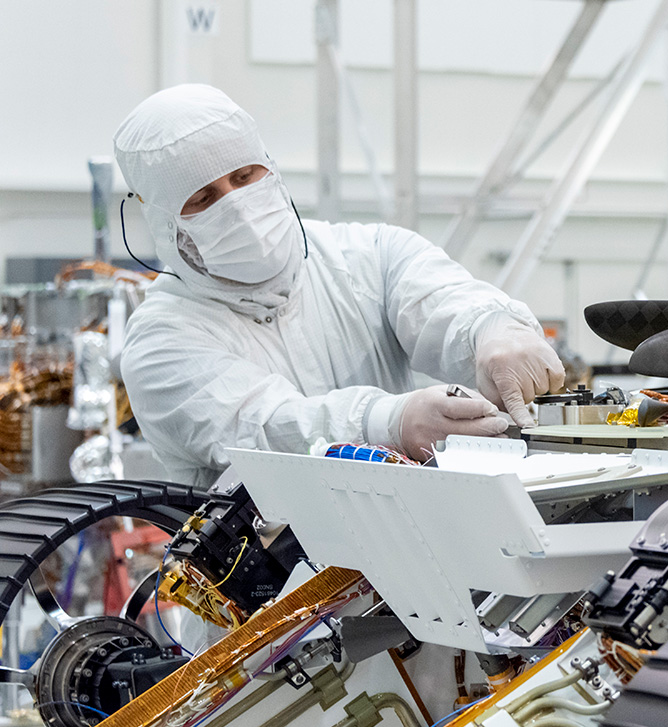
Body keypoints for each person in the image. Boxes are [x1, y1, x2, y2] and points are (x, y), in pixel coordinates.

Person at [113, 84, 564, 486]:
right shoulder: (161, 341)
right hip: (265, 574)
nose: (237, 205)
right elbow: (265, 426)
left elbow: (441, 299)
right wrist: (389, 422)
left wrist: (493, 331)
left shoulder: (366, 255)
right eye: (204, 198)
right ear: (164, 222)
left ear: (271, 168)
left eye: (244, 176)